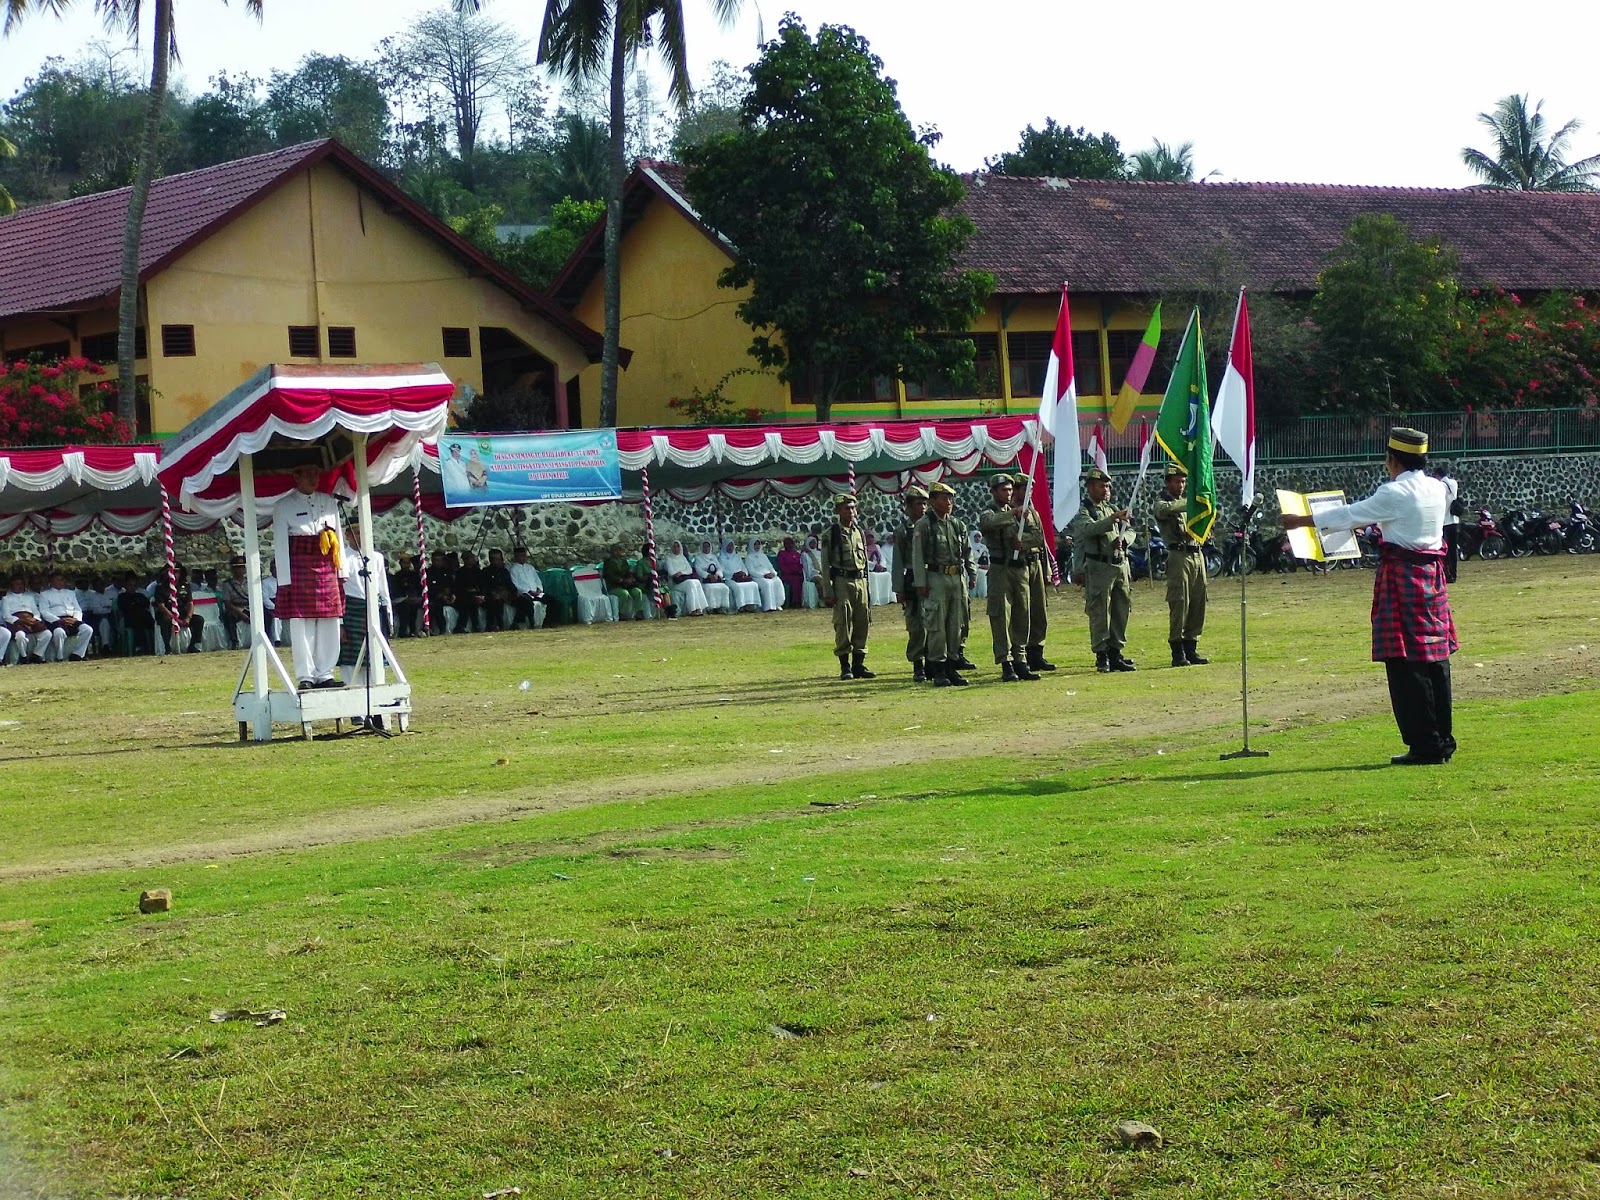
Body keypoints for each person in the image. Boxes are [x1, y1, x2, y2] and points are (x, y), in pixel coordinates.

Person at [1283, 427, 1458, 766]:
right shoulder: (1439, 488)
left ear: (1393, 459)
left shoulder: (1394, 492)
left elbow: (1350, 514)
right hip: (1432, 581)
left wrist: (1300, 519)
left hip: (1403, 579)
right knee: (1436, 660)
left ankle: (1424, 745)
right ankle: (1442, 740)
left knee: (1406, 665)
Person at [272, 462, 348, 689]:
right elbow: (281, 544)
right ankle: (305, 675)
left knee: (330, 621)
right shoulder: (283, 505)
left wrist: (342, 571)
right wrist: (284, 580)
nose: (314, 479)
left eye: (316, 474)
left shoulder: (329, 501)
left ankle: (325, 673)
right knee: (301, 624)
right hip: (300, 566)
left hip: (326, 566)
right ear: (296, 476)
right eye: (308, 474)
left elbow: (339, 539)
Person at [1069, 467, 1136, 673]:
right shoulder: (1083, 511)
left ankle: (1116, 651)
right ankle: (1102, 654)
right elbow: (1087, 530)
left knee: (1121, 608)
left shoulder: (1111, 508)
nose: (1106, 490)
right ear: (1090, 487)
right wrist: (1112, 519)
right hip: (1099, 567)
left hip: (1119, 565)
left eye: (1108, 486)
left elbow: (1131, 530)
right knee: (1099, 611)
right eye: (1101, 486)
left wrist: (1124, 540)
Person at [912, 481, 975, 687]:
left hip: (956, 577)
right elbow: (918, 556)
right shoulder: (924, 525)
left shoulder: (957, 524)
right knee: (937, 624)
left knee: (956, 624)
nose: (949, 502)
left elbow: (967, 551)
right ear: (932, 501)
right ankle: (937, 667)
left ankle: (952, 665)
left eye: (950, 498)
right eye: (944, 498)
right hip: (935, 577)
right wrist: (921, 582)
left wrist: (971, 573)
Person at [977, 474, 1039, 683]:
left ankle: (1020, 658)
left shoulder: (1023, 513)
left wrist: (1023, 541)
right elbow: (987, 524)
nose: (1008, 493)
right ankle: (1005, 661)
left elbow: (1038, 536)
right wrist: (1013, 513)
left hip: (1019, 569)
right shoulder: (991, 512)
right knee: (1001, 615)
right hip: (1000, 569)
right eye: (1003, 490)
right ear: (994, 492)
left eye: (1010, 489)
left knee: (1022, 613)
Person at [1152, 463, 1209, 668]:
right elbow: (1163, 510)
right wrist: (1193, 503)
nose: (1181, 485)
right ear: (1168, 483)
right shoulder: (1163, 503)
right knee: (1180, 602)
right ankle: (1177, 650)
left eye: (1184, 481)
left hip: (1196, 553)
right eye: (1177, 481)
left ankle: (1191, 646)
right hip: (1178, 555)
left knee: (1198, 601)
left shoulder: (1187, 502)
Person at [820, 493, 873, 679]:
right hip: (842, 581)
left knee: (862, 621)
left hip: (860, 581)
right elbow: (825, 566)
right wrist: (828, 591)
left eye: (852, 508)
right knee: (843, 622)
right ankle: (845, 666)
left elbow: (865, 561)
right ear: (838, 511)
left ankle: (859, 664)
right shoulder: (831, 534)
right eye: (846, 508)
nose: (850, 511)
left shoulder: (859, 532)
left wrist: (867, 586)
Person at [338, 526, 392, 688]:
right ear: (348, 535)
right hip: (350, 609)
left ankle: (377, 699)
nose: (361, 537)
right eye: (357, 533)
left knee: (374, 657)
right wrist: (339, 623)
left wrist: (388, 616)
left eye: (364, 532)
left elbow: (383, 587)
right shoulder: (340, 558)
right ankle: (354, 701)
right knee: (350, 661)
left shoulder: (377, 558)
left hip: (374, 610)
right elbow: (337, 590)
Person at [1014, 478, 1056, 673]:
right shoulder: (1011, 513)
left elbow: (1040, 539)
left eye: (1031, 488)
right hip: (1020, 566)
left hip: (1036, 563)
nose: (1029, 492)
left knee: (1039, 611)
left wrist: (1047, 568)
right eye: (1024, 489)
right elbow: (1012, 539)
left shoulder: (1033, 513)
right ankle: (1021, 654)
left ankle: (1036, 652)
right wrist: (1023, 542)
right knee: (1023, 611)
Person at [891, 485, 930, 681]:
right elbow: (897, 560)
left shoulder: (932, 526)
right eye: (917, 504)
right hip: (912, 579)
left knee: (935, 622)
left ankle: (935, 661)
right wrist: (898, 588)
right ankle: (918, 663)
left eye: (924, 503)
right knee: (916, 624)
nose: (922, 508)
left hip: (932, 577)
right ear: (908, 507)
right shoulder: (902, 532)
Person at [37, 571, 95, 661]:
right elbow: (44, 611)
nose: (61, 582)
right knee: (59, 633)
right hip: (56, 620)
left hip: (72, 618)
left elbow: (77, 608)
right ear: (52, 582)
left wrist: (76, 619)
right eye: (58, 580)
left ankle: (77, 654)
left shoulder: (70, 593)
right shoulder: (45, 594)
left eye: (62, 580)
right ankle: (60, 656)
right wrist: (59, 620)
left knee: (88, 630)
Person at [153, 564, 203, 654]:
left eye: (177, 572)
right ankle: (167, 648)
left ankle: (193, 646)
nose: (174, 574)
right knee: (165, 621)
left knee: (199, 620)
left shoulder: (185, 586)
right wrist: (174, 619)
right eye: (172, 571)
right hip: (167, 614)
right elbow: (161, 606)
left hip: (181, 614)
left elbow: (190, 603)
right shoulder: (160, 587)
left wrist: (188, 617)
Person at [2, 575, 46, 664]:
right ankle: (24, 656)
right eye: (17, 584)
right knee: (20, 636)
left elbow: (36, 611)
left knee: (47, 634)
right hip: (17, 621)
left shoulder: (29, 597)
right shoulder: (6, 599)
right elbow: (6, 616)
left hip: (31, 619)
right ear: (12, 585)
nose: (20, 586)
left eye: (21, 584)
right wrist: (20, 620)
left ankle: (36, 655)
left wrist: (35, 619)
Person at [1431, 465, 1461, 584]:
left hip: (1444, 521)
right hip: (1454, 520)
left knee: (1444, 550)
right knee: (1453, 549)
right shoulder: (1453, 484)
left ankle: (1446, 573)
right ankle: (1453, 573)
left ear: (1437, 475)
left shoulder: (1439, 486)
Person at [661, 541, 708, 617]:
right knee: (691, 584)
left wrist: (681, 573)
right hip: (675, 583)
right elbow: (671, 572)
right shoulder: (669, 559)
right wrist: (680, 573)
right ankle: (692, 609)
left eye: (678, 546)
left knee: (697, 582)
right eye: (674, 547)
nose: (676, 549)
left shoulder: (683, 558)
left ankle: (699, 608)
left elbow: (689, 570)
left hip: (684, 580)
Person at [506, 546, 548, 629]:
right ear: (516, 557)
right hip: (525, 593)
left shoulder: (530, 567)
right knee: (527, 601)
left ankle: (548, 622)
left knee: (551, 600)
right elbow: (515, 584)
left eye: (523, 555)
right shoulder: (513, 569)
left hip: (537, 593)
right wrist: (529, 591)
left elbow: (537, 580)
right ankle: (531, 623)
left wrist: (539, 590)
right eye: (519, 556)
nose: (522, 558)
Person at [603, 545, 647, 620]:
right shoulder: (608, 562)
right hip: (614, 586)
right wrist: (623, 580)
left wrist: (631, 578)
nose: (618, 552)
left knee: (638, 592)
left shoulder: (623, 561)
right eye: (616, 550)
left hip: (626, 585)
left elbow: (627, 571)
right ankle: (620, 613)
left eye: (619, 550)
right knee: (624, 593)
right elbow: (610, 576)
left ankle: (639, 612)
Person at [219, 555, 252, 649]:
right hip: (235, 608)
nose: (239, 570)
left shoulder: (249, 582)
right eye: (237, 567)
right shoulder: (227, 584)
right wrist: (240, 613)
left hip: (249, 607)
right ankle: (234, 641)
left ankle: (267, 638)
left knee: (266, 614)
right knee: (229, 617)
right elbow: (227, 602)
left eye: (242, 567)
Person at [719, 540, 762, 611]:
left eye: (732, 546)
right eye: (728, 546)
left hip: (741, 577)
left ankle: (751, 605)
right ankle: (741, 606)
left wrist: (743, 573)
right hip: (729, 578)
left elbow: (743, 567)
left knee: (753, 585)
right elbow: (722, 570)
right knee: (738, 587)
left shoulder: (737, 557)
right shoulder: (721, 557)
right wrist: (734, 574)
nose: (730, 548)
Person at [692, 540, 734, 613]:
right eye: (704, 546)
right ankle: (711, 608)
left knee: (724, 588)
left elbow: (719, 567)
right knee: (710, 589)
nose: (706, 548)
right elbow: (698, 570)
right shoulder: (698, 558)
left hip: (716, 579)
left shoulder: (714, 557)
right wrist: (708, 575)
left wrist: (717, 574)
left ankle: (722, 607)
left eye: (708, 546)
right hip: (705, 580)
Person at [743, 540, 785, 611]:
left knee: (778, 581)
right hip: (757, 577)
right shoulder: (748, 558)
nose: (757, 546)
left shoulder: (763, 556)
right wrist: (763, 576)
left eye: (758, 544)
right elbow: (751, 571)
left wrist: (773, 573)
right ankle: (769, 606)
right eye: (755, 544)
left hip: (768, 575)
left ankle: (777, 604)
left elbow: (770, 566)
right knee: (767, 584)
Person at [775, 537, 805, 608]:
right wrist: (791, 571)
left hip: (797, 574)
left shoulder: (797, 554)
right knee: (796, 581)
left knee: (802, 579)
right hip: (787, 575)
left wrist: (799, 570)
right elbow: (781, 566)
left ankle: (801, 601)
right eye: (787, 544)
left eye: (791, 544)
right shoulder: (782, 554)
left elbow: (801, 564)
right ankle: (795, 602)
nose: (789, 546)